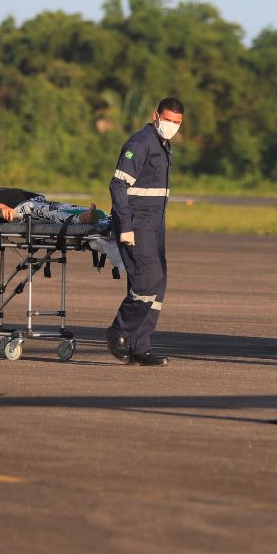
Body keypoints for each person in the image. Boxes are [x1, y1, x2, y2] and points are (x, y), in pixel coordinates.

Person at [104, 98, 183, 366]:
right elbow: (117, 186)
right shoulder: (140, 143)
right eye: (168, 119)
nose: (171, 125)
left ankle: (140, 347)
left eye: (177, 122)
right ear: (156, 116)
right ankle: (119, 331)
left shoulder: (163, 145)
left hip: (155, 224)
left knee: (157, 284)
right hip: (136, 223)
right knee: (146, 280)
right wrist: (125, 227)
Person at [0, 172, 102, 225]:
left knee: (66, 206)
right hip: (21, 209)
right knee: (47, 212)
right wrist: (0, 207)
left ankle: (103, 217)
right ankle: (81, 220)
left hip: (35, 201)